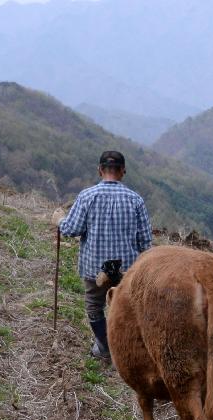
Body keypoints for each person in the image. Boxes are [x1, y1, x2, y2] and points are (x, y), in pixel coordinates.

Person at [52, 151, 153, 361]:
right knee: (127, 309)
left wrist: (59, 220)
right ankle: (127, 349)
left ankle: (106, 348)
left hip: (94, 267)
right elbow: (145, 241)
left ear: (100, 170)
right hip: (127, 270)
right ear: (123, 171)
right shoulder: (135, 200)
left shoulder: (87, 196)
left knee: (94, 306)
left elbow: (71, 229)